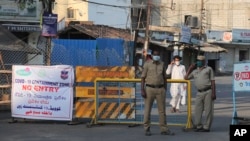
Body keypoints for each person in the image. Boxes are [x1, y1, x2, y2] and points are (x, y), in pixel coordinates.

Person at [141, 49, 175, 136]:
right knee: (147, 110)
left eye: (158, 54)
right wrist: (142, 89)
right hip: (149, 89)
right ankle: (147, 128)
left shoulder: (162, 64)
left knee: (162, 111)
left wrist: (165, 88)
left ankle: (164, 129)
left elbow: (165, 77)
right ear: (152, 55)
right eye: (155, 54)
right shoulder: (147, 64)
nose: (157, 56)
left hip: (160, 89)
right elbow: (143, 78)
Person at [184, 55, 216, 132]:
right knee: (198, 109)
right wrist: (190, 68)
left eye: (200, 61)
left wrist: (213, 93)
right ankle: (198, 125)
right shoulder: (195, 71)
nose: (198, 62)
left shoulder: (208, 69)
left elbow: (212, 81)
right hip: (199, 92)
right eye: (197, 60)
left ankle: (207, 127)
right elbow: (186, 78)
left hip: (208, 91)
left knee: (208, 110)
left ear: (203, 62)